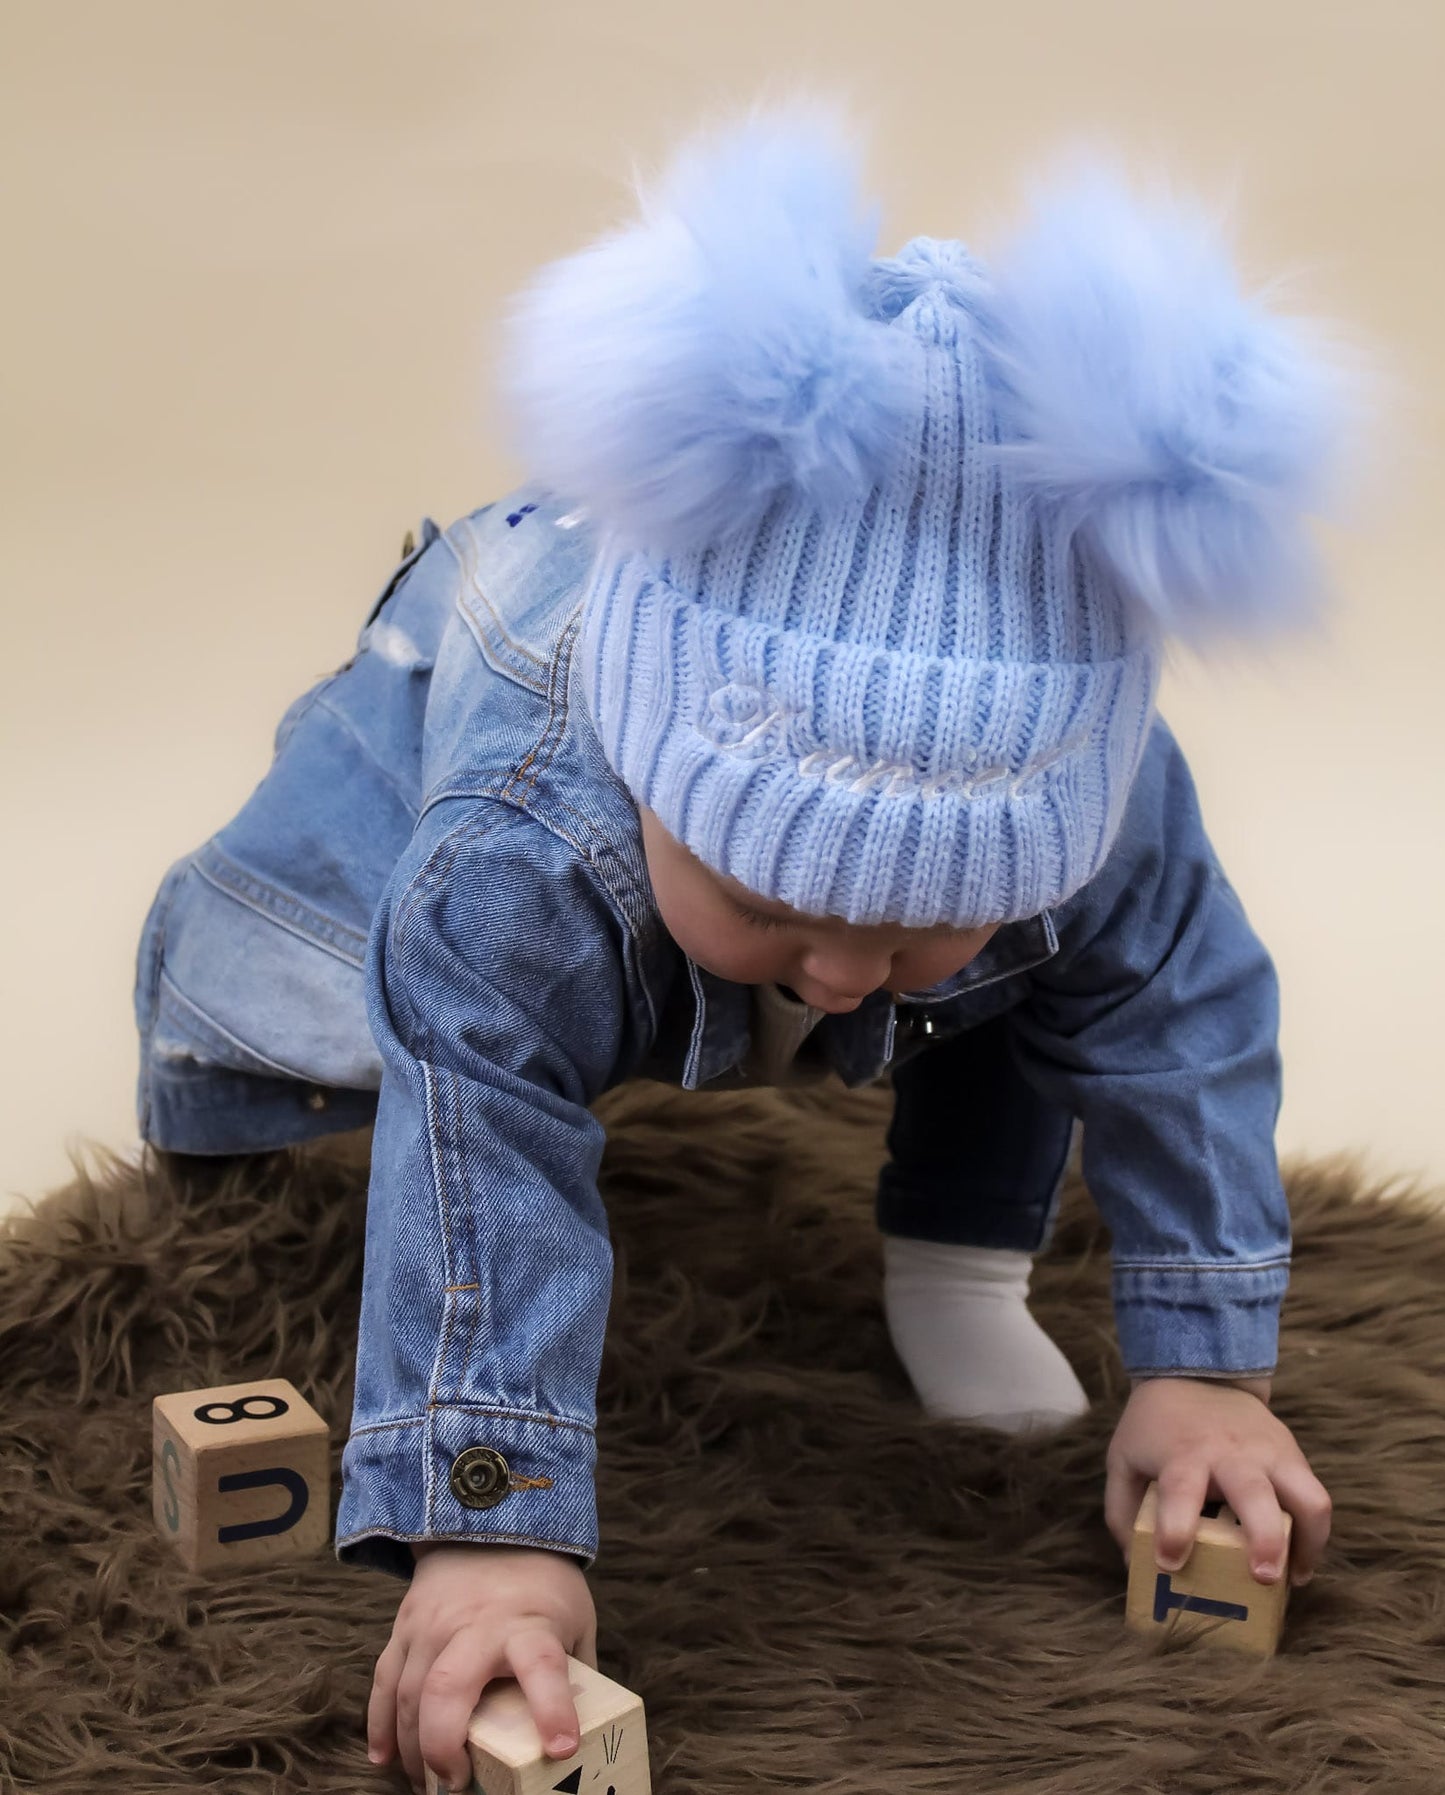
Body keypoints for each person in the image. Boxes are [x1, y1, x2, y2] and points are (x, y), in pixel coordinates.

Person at [133, 101, 1373, 1793]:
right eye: (776, 906)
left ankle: (956, 1256)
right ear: (653, 770)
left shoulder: (1103, 811)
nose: (844, 969)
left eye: (915, 918)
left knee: (1025, 986)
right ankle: (235, 1139)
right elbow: (478, 1120)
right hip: (486, 684)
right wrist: (488, 1520)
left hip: (893, 857)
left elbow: (1180, 1024)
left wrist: (1202, 1367)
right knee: (326, 1019)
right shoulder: (518, 836)